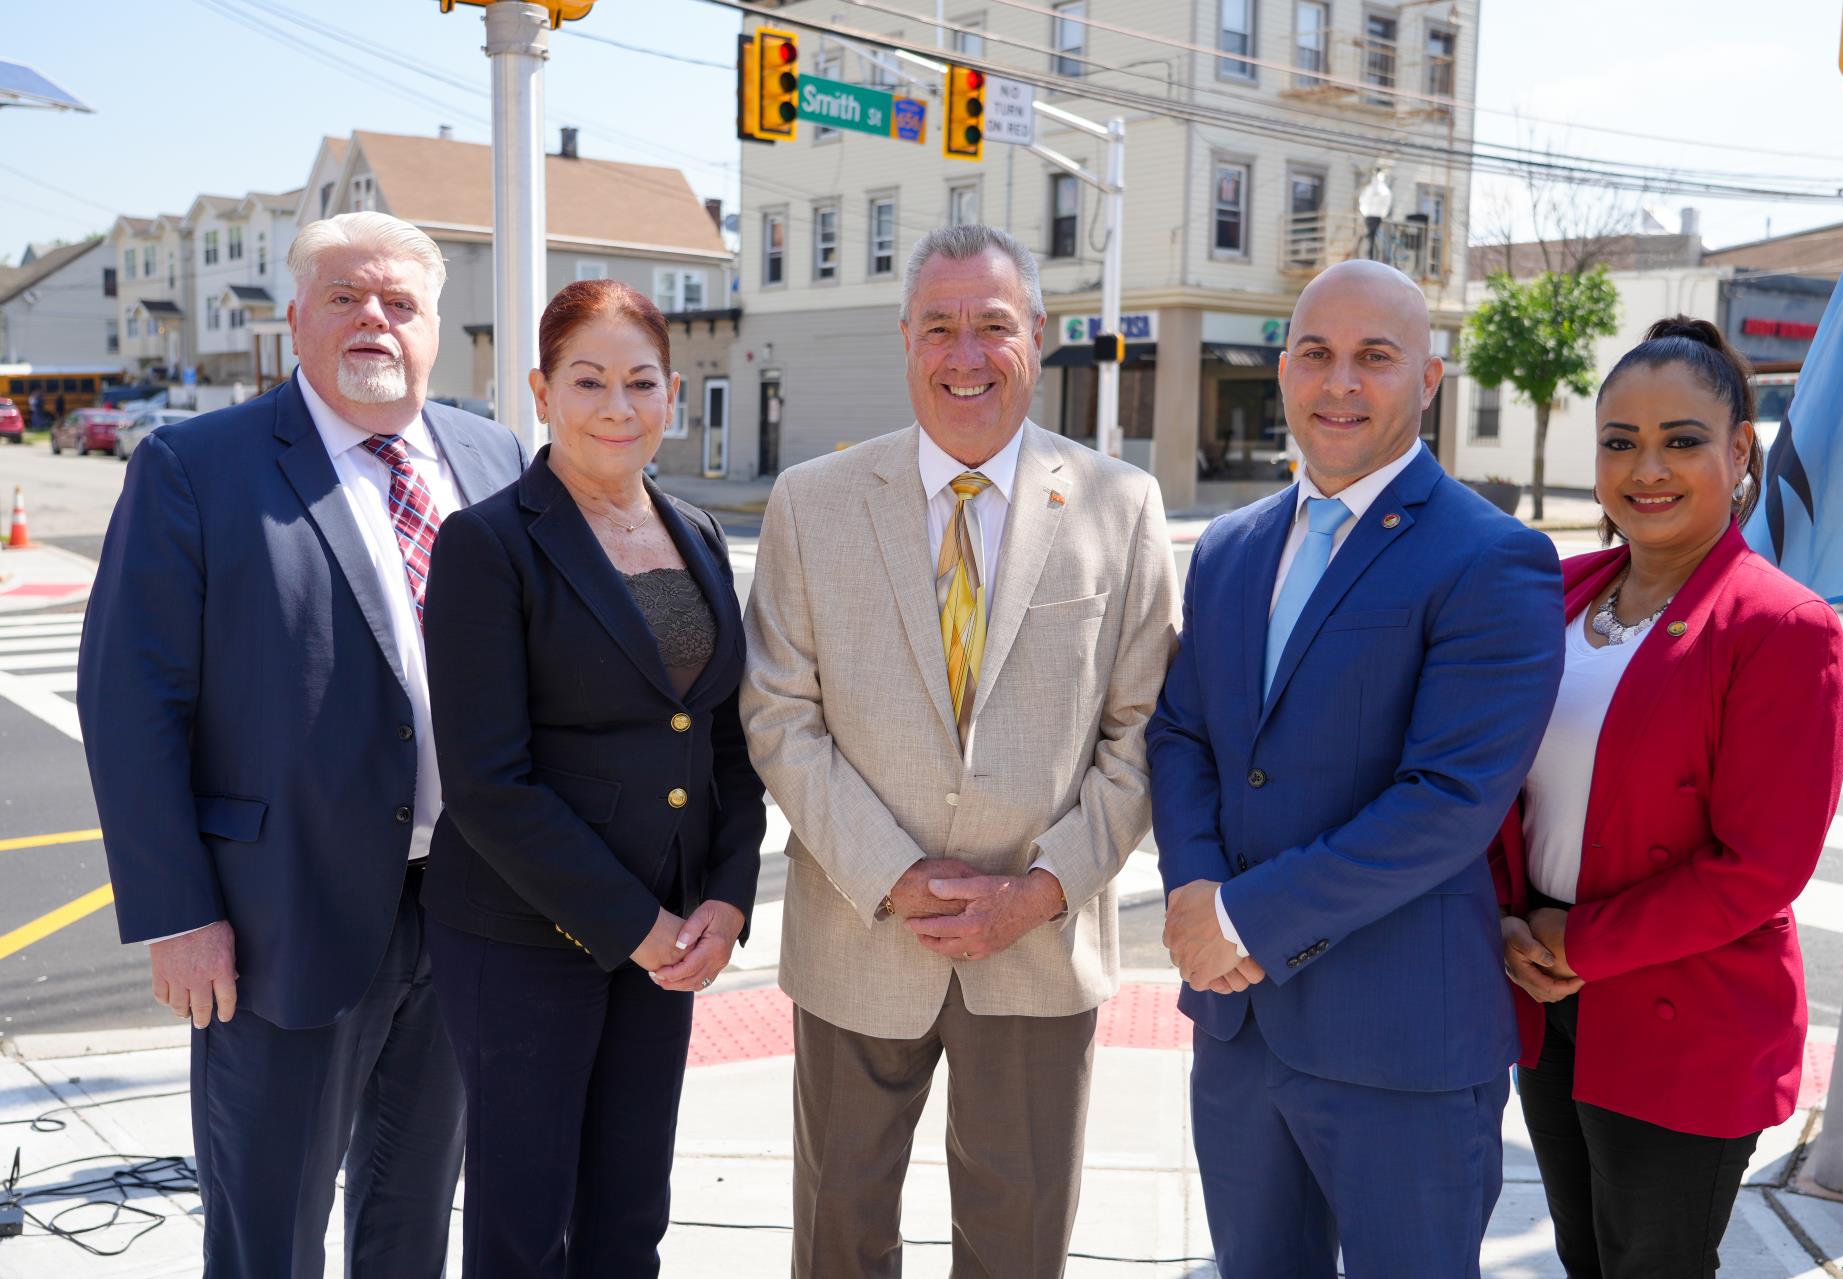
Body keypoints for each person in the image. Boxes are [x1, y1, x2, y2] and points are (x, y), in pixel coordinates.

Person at [75, 210, 525, 1276]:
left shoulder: (490, 452)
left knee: (414, 1219)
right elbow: (129, 702)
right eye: (344, 297)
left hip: (467, 912)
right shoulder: (195, 466)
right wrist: (179, 913)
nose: (375, 319)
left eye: (400, 303)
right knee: (268, 1233)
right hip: (277, 920)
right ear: (294, 320)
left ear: (437, 329)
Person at [740, 224, 1179, 1279]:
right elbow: (778, 714)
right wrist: (893, 874)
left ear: (1039, 335)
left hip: (1037, 947)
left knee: (1018, 1245)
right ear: (906, 342)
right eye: (939, 327)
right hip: (856, 936)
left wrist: (1038, 889)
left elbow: (1144, 734)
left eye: (993, 325)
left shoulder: (1121, 506)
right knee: (838, 1238)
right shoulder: (813, 502)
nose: (965, 354)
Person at [1146, 259, 1565, 1277]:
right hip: (1240, 1031)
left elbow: (1449, 804)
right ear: (1283, 369)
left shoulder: (1491, 557)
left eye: (1375, 357)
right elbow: (1183, 735)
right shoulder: (1232, 548)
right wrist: (1198, 891)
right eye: (1317, 354)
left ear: (1428, 378)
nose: (1341, 382)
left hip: (1401, 1047)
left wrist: (1241, 919)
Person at [1492, 317, 1843, 1278]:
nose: (1646, 467)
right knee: (1582, 1256)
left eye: (1682, 440)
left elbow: (1762, 867)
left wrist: (1583, 943)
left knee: (1655, 1265)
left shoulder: (1781, 627)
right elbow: (1487, 791)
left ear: (1739, 452)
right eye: (1621, 442)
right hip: (1542, 987)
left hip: (1683, 1008)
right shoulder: (1553, 592)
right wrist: (1506, 925)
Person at [420, 278, 764, 1277]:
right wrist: (639, 926)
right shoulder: (488, 544)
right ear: (540, 388)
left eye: (641, 381)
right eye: (589, 380)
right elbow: (487, 781)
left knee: (628, 1215)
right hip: (523, 936)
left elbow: (724, 740)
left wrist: (727, 901)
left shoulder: (697, 534)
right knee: (523, 1228)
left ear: (671, 391)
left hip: (670, 931)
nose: (618, 407)